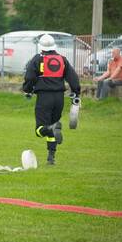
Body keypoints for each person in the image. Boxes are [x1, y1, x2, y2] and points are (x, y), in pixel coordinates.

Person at [23, 34, 81, 165]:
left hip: (44, 97)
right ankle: (51, 158)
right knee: (53, 126)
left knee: (40, 129)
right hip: (59, 98)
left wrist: (27, 89)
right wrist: (76, 92)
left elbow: (30, 77)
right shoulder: (62, 59)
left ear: (41, 47)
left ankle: (52, 129)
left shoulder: (38, 59)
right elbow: (73, 78)